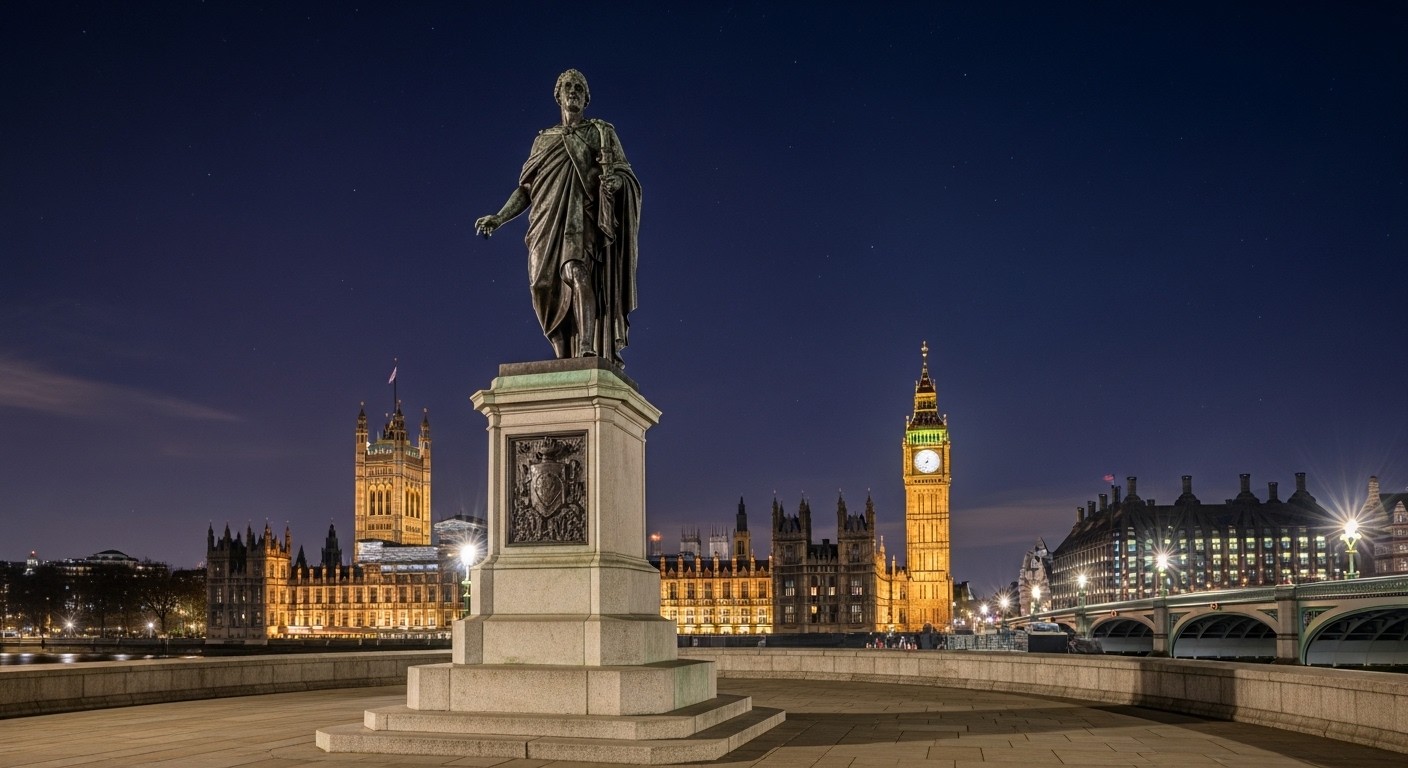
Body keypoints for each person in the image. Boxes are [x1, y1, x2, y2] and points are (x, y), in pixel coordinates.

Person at [475, 69, 642, 367]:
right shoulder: (543, 140)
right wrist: (499, 217)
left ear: (586, 98)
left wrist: (616, 182)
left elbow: (625, 174)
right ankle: (563, 356)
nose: (573, 91)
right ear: (558, 96)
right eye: (568, 87)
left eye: (579, 87)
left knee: (576, 271)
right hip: (545, 222)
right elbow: (526, 190)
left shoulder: (600, 132)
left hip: (581, 217)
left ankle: (587, 347)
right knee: (542, 287)